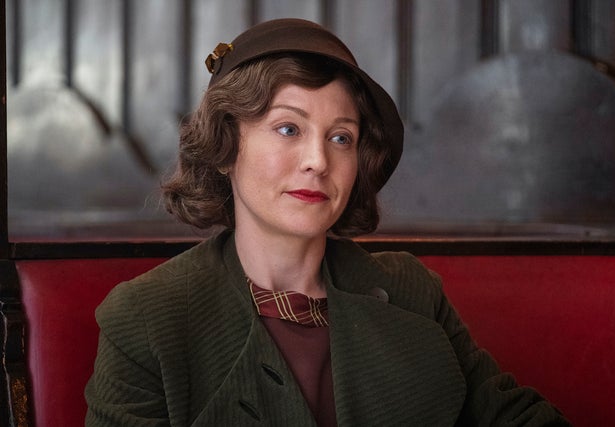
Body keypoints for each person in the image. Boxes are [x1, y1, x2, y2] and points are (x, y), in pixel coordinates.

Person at [85, 18, 570, 426]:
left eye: (341, 138)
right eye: (288, 128)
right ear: (226, 147)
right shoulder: (146, 317)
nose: (318, 161)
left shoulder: (411, 290)